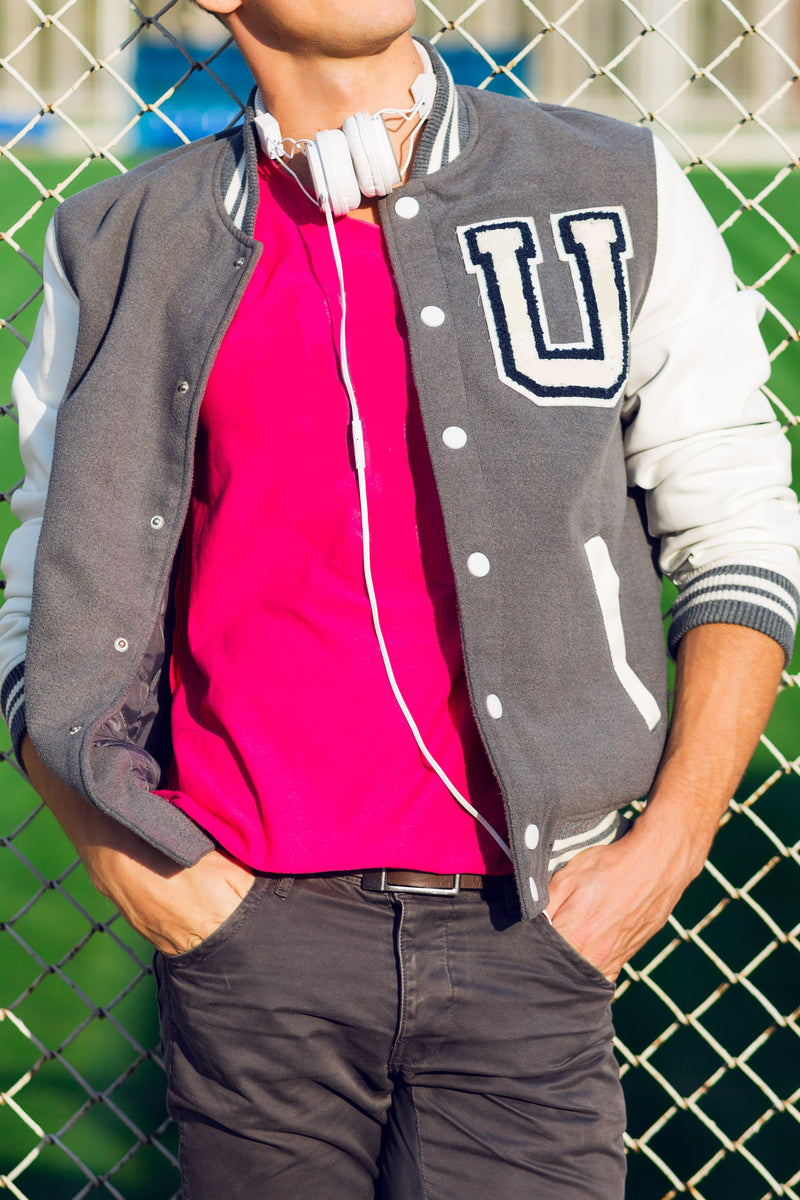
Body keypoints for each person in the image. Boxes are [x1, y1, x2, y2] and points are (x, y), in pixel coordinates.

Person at [1, 1, 799, 1196]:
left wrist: (664, 853)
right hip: (245, 939)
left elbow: (734, 525)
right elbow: (39, 602)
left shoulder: (611, 184)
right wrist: (139, 870)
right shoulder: (116, 240)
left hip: (535, 927)